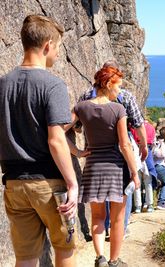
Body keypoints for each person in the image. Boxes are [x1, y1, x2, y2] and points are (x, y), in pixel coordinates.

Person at [0, 15, 78, 267]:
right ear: (47, 45)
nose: (56, 54)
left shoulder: (2, 85)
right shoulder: (52, 85)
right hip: (49, 185)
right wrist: (72, 183)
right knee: (65, 249)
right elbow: (56, 141)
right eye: (57, 47)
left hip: (14, 184)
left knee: (25, 257)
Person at [65, 66, 140, 267]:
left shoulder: (81, 107)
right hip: (116, 168)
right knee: (117, 218)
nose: (119, 92)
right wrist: (134, 172)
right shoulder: (118, 109)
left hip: (92, 166)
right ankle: (115, 261)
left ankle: (100, 258)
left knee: (98, 216)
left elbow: (59, 131)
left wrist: (77, 152)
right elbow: (124, 145)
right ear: (108, 84)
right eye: (118, 87)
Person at [78, 60, 147, 237]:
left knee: (103, 193)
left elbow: (76, 126)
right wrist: (143, 144)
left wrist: (77, 150)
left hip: (93, 150)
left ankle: (107, 226)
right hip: (120, 153)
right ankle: (120, 228)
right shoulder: (125, 96)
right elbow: (138, 123)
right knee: (124, 189)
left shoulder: (85, 96)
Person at [131, 119, 158, 213]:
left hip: (136, 153)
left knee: (136, 182)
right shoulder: (151, 127)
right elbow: (154, 142)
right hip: (148, 153)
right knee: (148, 182)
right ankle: (150, 205)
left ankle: (138, 206)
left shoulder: (134, 127)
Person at [153, 128, 165, 210]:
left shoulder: (154, 146)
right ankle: (161, 202)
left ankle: (146, 203)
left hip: (152, 167)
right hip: (161, 167)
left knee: (151, 184)